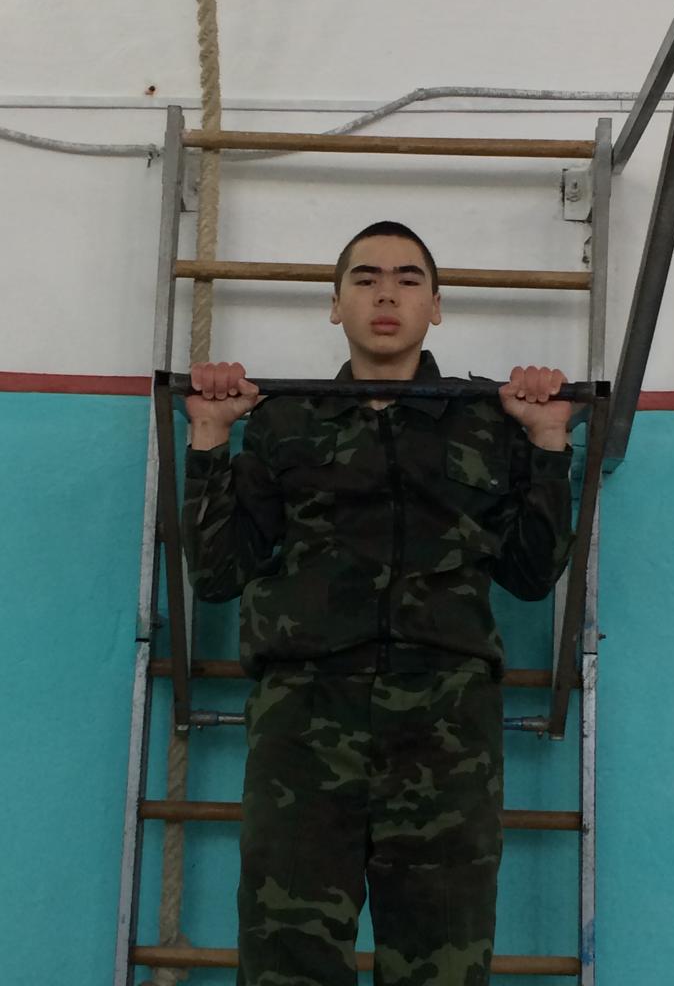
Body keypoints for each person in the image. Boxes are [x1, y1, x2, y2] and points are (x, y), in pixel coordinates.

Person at [182, 220, 573, 986]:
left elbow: (531, 574)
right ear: (336, 305)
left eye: (407, 279)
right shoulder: (285, 422)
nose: (385, 295)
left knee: (444, 959)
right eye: (364, 279)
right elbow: (219, 573)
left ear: (436, 306)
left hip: (446, 723)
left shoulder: (486, 422)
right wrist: (209, 436)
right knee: (287, 958)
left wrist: (549, 442)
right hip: (305, 717)